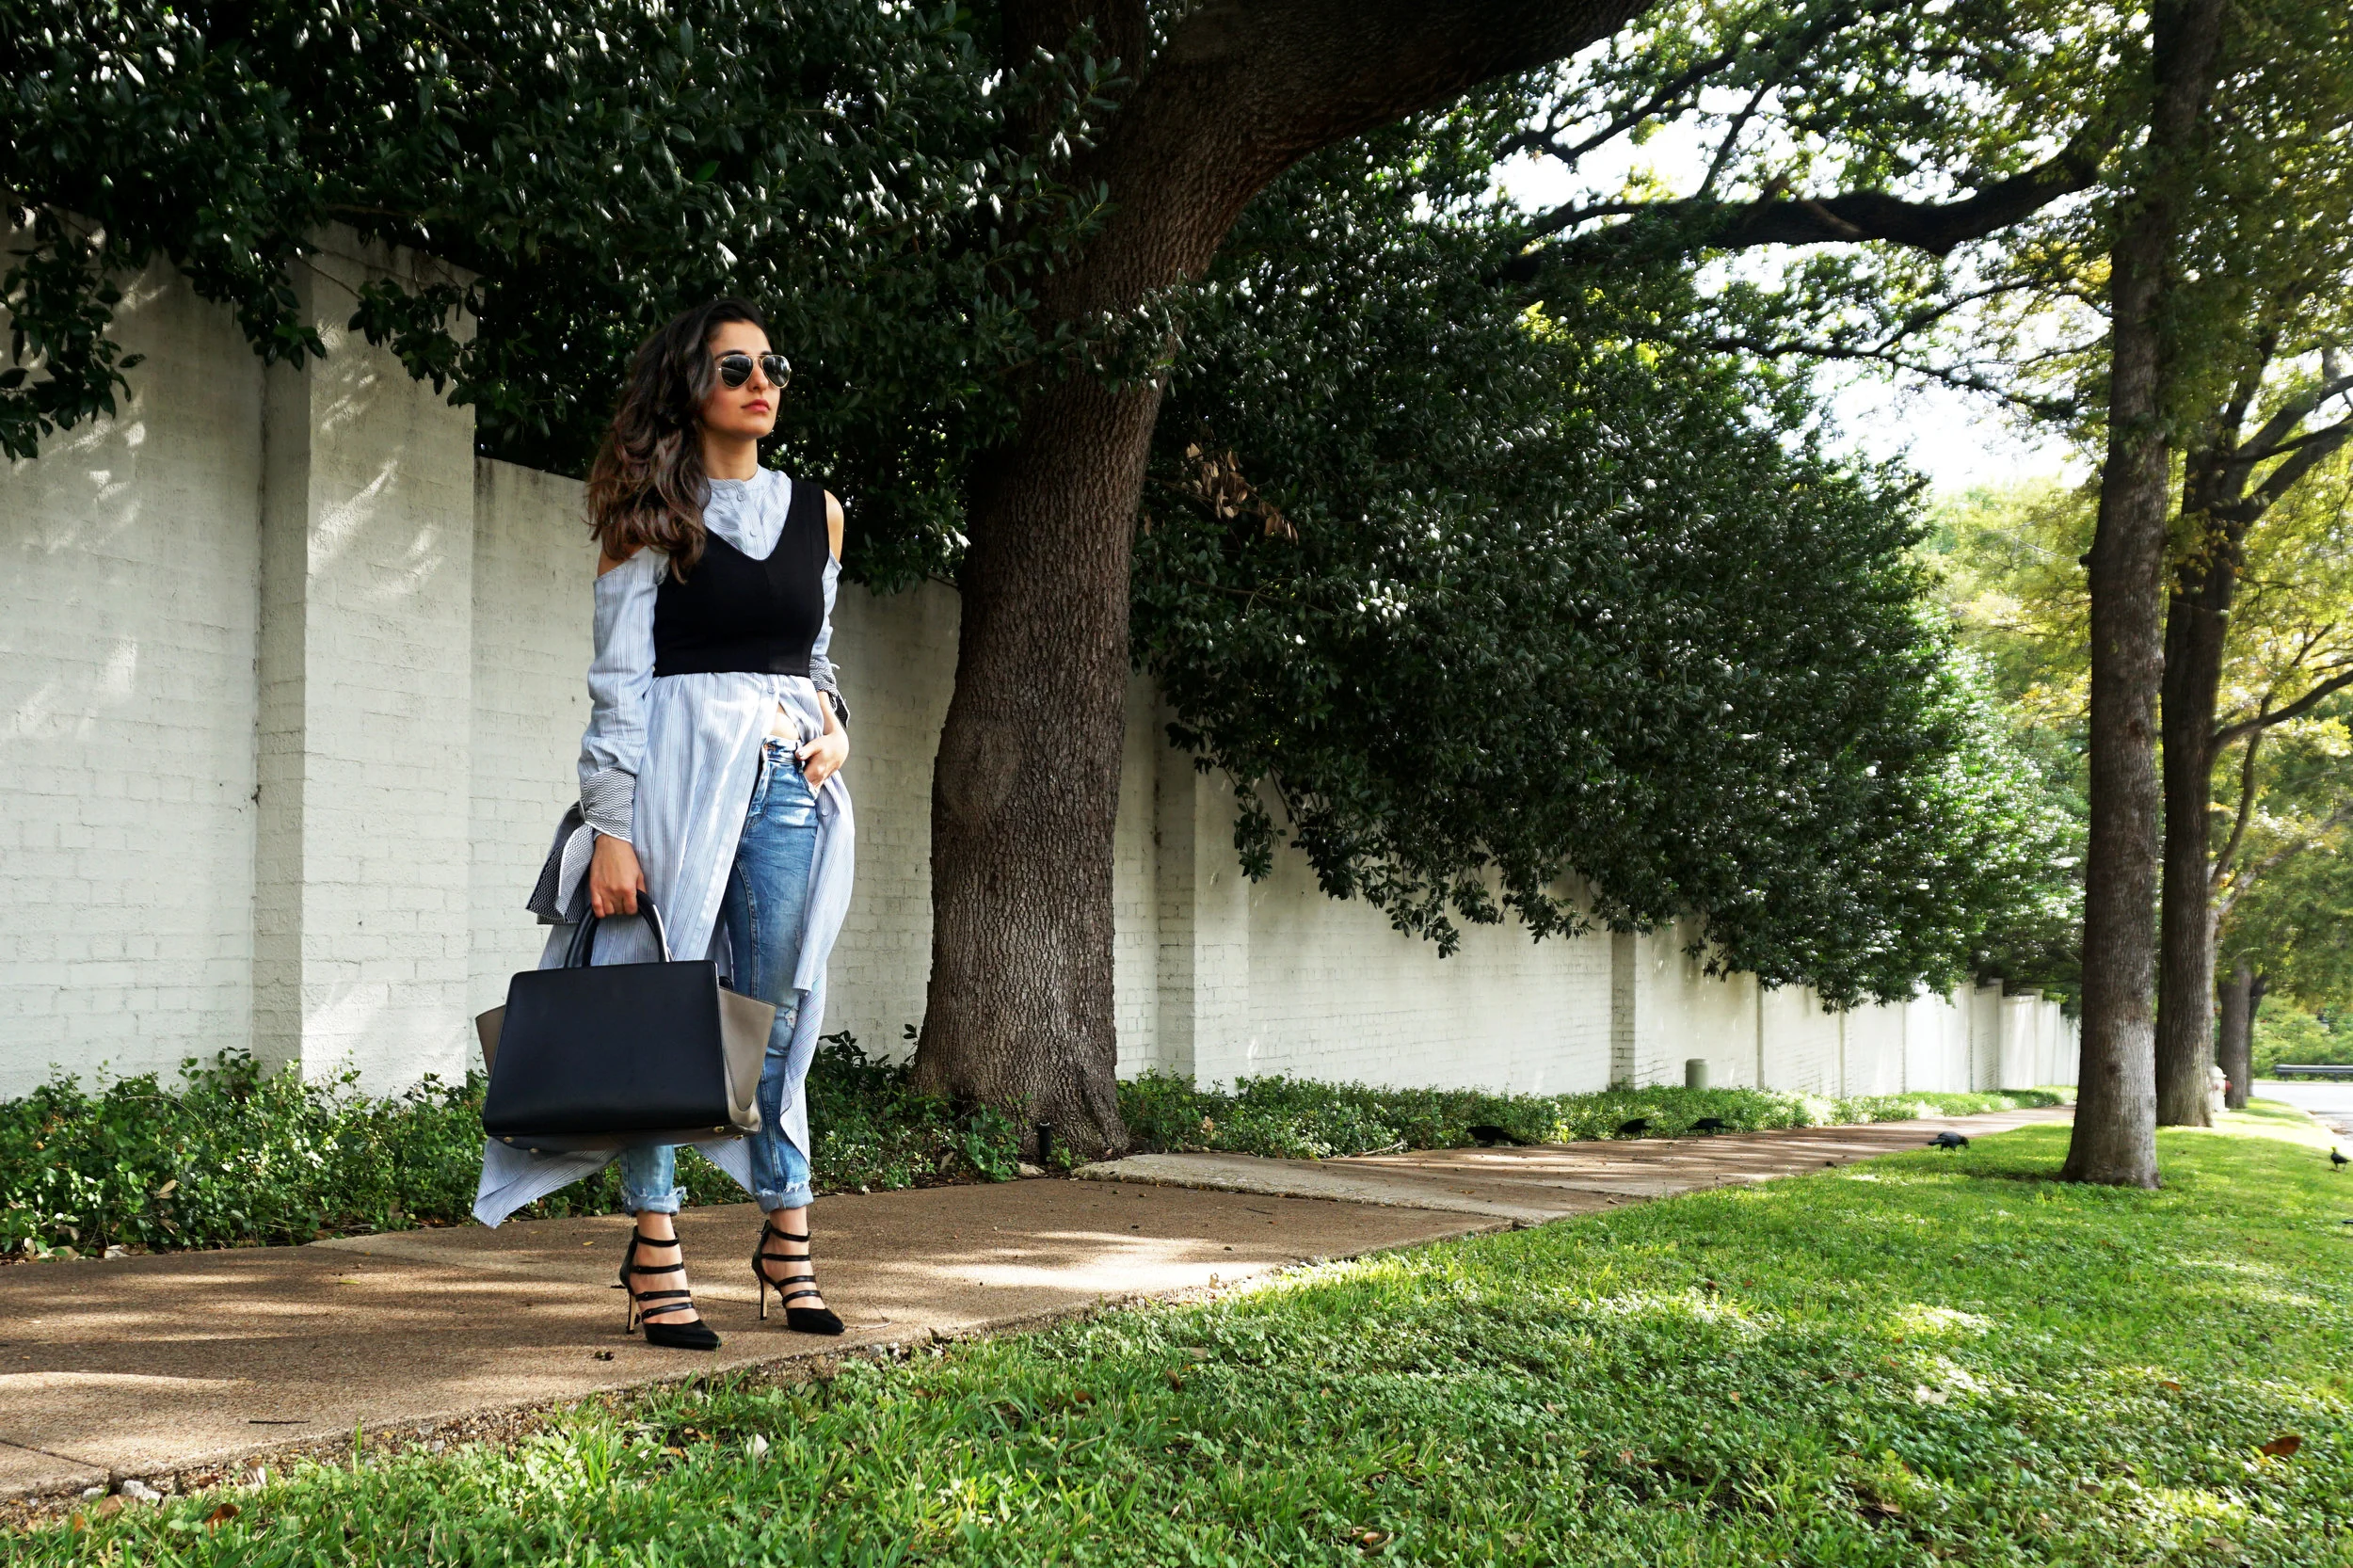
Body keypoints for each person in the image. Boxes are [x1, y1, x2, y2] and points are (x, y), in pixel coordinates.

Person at [472, 297, 856, 1352]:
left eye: (771, 363)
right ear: (690, 385)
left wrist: (838, 733)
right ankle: (657, 1244)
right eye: (735, 368)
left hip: (788, 782)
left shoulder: (818, 509)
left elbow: (816, 664)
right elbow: (618, 686)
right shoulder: (646, 511)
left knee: (772, 1015)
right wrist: (612, 827)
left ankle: (786, 1235)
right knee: (665, 1008)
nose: (760, 381)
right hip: (677, 783)